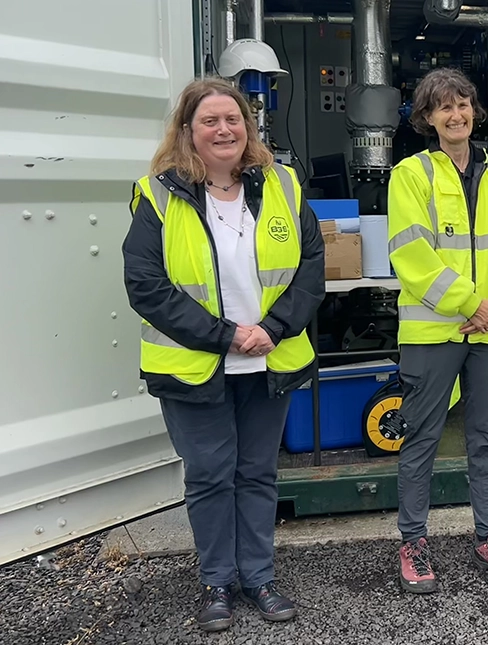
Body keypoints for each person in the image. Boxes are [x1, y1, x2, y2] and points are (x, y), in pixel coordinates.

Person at [121, 78, 325, 631]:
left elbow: (310, 267)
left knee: (258, 473)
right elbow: (146, 285)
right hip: (195, 366)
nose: (223, 129)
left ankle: (259, 577)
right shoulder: (159, 194)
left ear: (247, 126)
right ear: (188, 131)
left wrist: (274, 328)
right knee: (211, 475)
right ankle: (217, 582)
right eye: (209, 121)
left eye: (232, 119)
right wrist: (226, 335)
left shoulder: (282, 184)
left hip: (269, 359)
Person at [387, 67, 488, 593]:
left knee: (484, 437)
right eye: (444, 107)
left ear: (475, 112)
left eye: (464, 104)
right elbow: (411, 255)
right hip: (434, 331)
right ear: (427, 119)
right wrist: (471, 303)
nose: (456, 115)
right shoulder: (410, 175)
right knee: (422, 437)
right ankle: (413, 540)